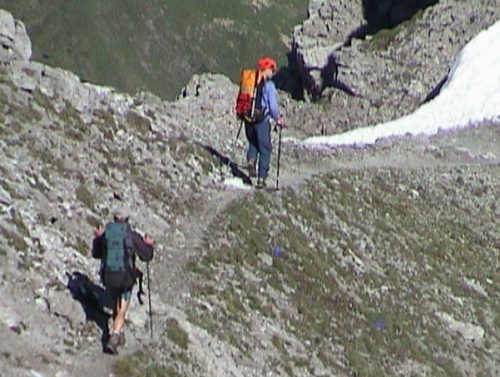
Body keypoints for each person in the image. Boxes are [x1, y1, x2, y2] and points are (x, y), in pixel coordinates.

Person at [92, 206, 154, 354]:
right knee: (122, 308)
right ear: (127, 220)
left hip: (109, 276)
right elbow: (146, 256)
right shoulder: (131, 235)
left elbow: (96, 253)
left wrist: (97, 238)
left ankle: (120, 333)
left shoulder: (107, 234)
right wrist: (149, 245)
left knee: (115, 302)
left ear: (114, 219)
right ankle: (114, 337)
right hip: (125, 278)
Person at [245, 56, 285, 189]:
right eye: (272, 70)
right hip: (262, 120)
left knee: (253, 142)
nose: (273, 73)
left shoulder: (251, 80)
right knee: (265, 148)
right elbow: (272, 107)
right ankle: (261, 179)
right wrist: (277, 119)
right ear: (267, 69)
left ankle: (251, 160)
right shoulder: (269, 85)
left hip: (248, 118)